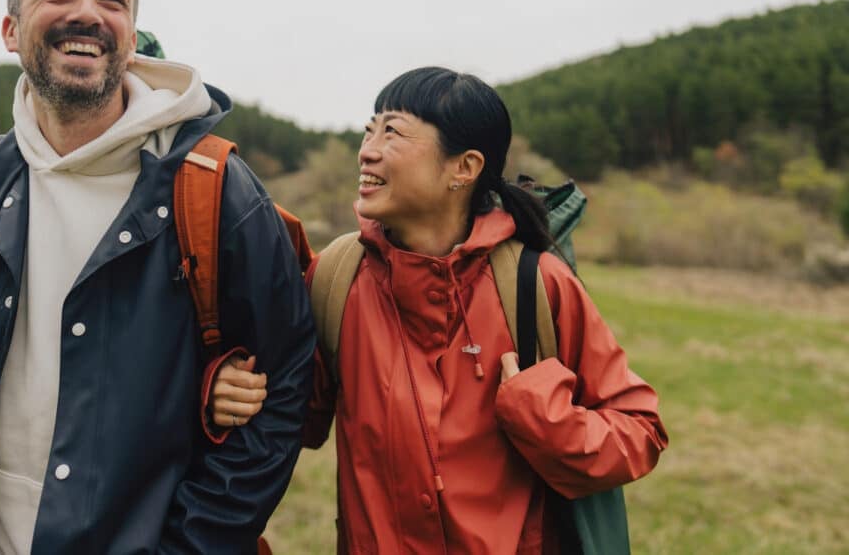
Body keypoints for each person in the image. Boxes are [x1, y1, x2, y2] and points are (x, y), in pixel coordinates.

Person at [0, 0, 315, 554]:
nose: (87, 13)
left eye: (111, 0)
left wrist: (194, 545)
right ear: (10, 30)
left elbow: (282, 394)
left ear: (131, 38)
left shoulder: (216, 187)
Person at [211, 67, 669, 554]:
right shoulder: (335, 278)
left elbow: (641, 431)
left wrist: (542, 417)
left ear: (464, 168)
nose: (367, 149)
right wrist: (225, 391)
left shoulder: (537, 284)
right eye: (370, 129)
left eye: (393, 132)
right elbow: (292, 414)